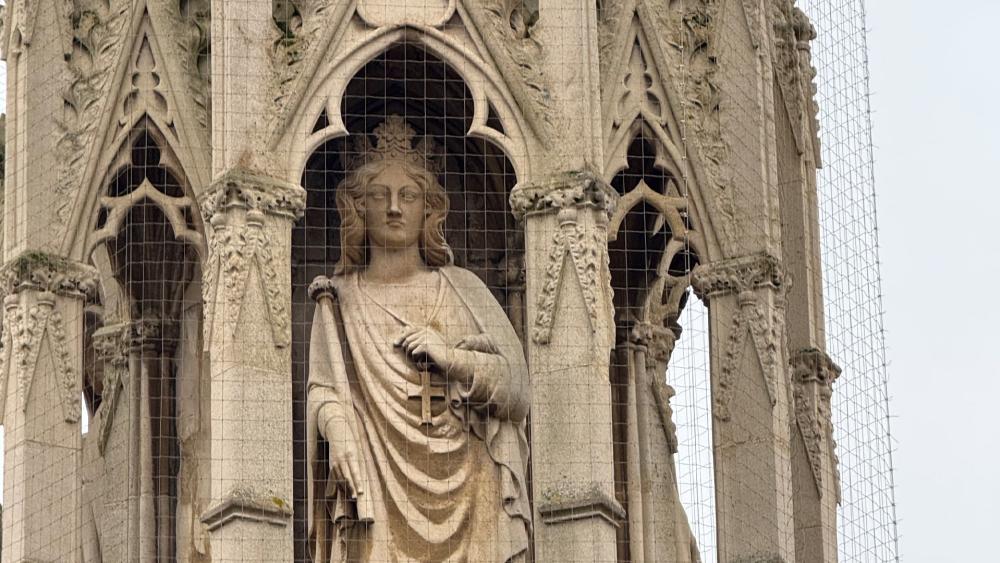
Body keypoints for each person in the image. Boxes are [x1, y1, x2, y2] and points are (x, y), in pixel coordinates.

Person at [307, 116, 531, 562]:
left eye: (408, 195)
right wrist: (339, 433)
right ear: (358, 207)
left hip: (470, 491)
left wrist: (452, 358)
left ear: (428, 208)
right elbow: (324, 391)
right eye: (379, 195)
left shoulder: (462, 287)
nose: (394, 207)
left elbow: (518, 391)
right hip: (376, 478)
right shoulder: (339, 301)